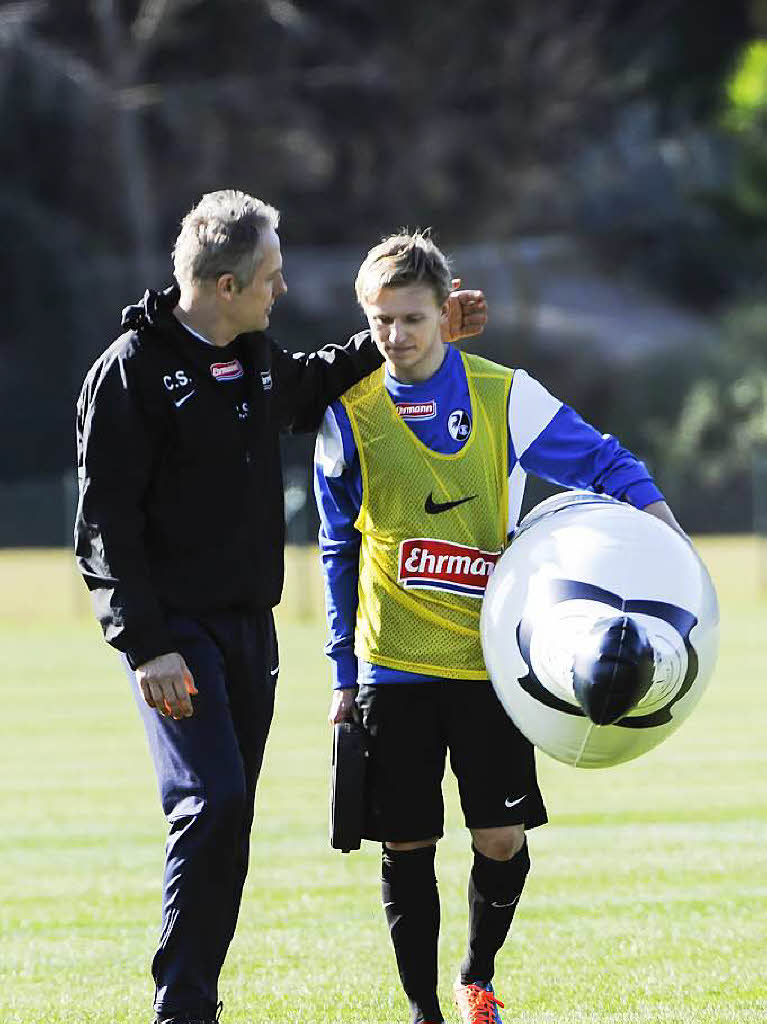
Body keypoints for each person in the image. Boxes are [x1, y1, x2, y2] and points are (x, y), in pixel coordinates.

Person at [74, 191, 487, 1024]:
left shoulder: (255, 357)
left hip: (248, 631)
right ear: (225, 285)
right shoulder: (130, 369)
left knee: (233, 818)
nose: (282, 289)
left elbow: (323, 379)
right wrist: (146, 644)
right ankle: (180, 1007)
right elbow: (102, 523)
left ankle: (198, 999)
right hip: (175, 636)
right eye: (270, 275)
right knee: (211, 802)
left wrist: (434, 327)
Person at [313, 231, 685, 1024]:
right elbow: (336, 544)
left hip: (493, 667)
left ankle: (475, 975)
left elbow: (608, 463)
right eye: (380, 320)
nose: (395, 336)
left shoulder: (504, 396)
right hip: (394, 668)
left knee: (500, 840)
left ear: (447, 314)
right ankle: (423, 1011)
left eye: (412, 318)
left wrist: (667, 538)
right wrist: (342, 673)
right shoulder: (347, 416)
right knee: (405, 846)